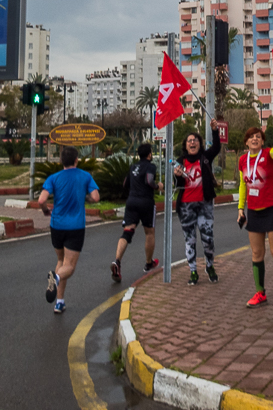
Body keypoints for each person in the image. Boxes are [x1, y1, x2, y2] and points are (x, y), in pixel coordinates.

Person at [38, 146, 100, 314]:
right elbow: (95, 197)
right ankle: (56, 278)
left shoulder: (53, 178)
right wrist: (84, 196)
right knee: (69, 267)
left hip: (56, 225)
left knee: (61, 261)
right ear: (76, 160)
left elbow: (41, 199)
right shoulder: (85, 176)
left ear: (61, 161)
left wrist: (45, 210)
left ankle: (59, 302)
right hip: (75, 227)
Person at [238, 126, 273, 308]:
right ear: (246, 141)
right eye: (251, 137)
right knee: (256, 253)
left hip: (272, 209)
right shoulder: (242, 160)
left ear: (262, 141)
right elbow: (242, 186)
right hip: (253, 211)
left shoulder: (269, 154)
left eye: (258, 137)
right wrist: (240, 208)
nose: (254, 139)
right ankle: (260, 293)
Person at [172, 119, 221, 285]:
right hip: (186, 207)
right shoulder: (180, 161)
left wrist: (215, 131)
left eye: (195, 140)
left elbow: (217, 148)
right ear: (185, 146)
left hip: (205, 204)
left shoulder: (205, 157)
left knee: (208, 240)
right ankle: (193, 271)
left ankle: (209, 266)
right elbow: (177, 185)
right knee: (190, 240)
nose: (192, 143)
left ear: (200, 144)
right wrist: (177, 175)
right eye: (189, 141)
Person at [111, 143, 163, 283]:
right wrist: (158, 186)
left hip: (131, 202)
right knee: (149, 232)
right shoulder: (150, 166)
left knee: (127, 232)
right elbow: (149, 180)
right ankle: (148, 262)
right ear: (149, 154)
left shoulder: (133, 167)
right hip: (146, 202)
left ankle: (117, 261)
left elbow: (125, 184)